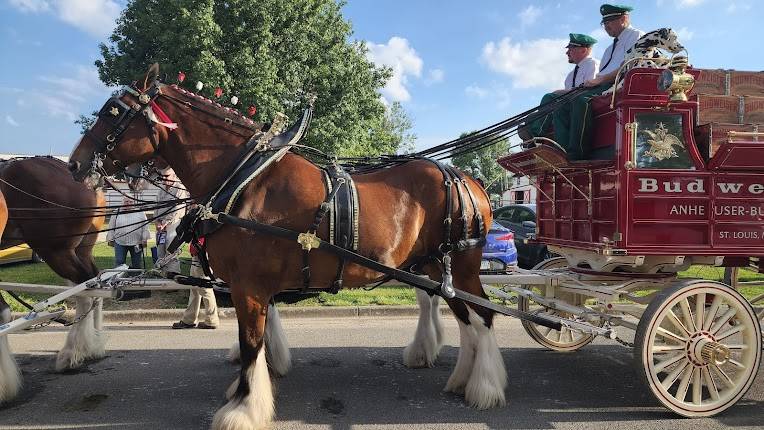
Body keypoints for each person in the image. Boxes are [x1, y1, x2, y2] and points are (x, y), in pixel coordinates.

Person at [550, 4, 644, 160]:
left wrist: (600, 80)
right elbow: (602, 74)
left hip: (619, 84)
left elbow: (629, 66)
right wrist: (597, 81)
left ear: (624, 18)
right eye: (604, 23)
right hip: (604, 84)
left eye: (610, 21)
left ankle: (577, 153)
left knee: (581, 101)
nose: (606, 26)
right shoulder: (608, 49)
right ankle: (561, 150)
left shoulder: (636, 36)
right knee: (561, 103)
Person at [526, 33, 599, 139]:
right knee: (531, 118)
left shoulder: (593, 64)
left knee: (549, 98)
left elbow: (589, 88)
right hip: (569, 106)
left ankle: (537, 135)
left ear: (583, 50)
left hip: (583, 107)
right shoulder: (570, 75)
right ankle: (537, 134)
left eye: (570, 49)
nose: (567, 53)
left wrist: (558, 93)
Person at [107, 195, 152, 300]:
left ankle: (135, 285)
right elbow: (111, 227)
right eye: (126, 202)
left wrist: (144, 238)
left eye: (130, 202)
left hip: (136, 243)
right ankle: (117, 283)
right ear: (123, 202)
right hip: (120, 242)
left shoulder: (140, 212)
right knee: (119, 262)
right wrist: (110, 238)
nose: (128, 203)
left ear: (134, 203)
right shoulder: (117, 212)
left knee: (136, 264)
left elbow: (145, 227)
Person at [172, 238, 220, 329]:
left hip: (201, 256)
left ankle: (211, 320)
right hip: (199, 255)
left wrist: (196, 247)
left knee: (205, 289)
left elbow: (202, 239)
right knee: (195, 289)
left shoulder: (204, 224)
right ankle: (189, 319)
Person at [153, 168, 189, 276]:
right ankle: (163, 274)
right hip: (160, 226)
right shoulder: (161, 189)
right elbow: (156, 206)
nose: (164, 179)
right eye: (163, 176)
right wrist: (157, 221)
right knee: (160, 250)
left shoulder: (180, 189)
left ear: (174, 175)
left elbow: (178, 209)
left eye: (167, 176)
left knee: (171, 251)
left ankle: (173, 276)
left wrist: (165, 223)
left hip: (174, 225)